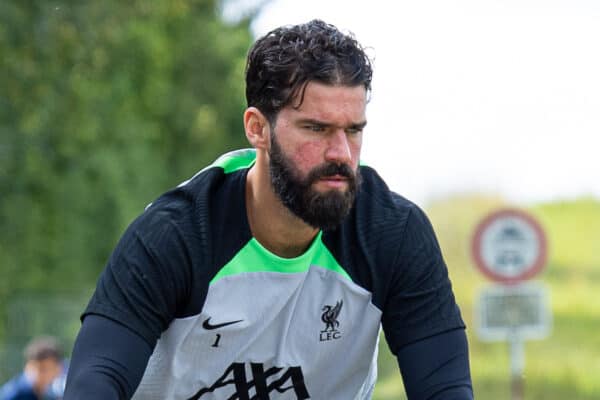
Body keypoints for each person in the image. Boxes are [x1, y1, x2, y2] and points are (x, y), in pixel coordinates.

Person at [64, 19, 473, 399]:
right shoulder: (175, 234)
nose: (341, 153)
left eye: (353, 130)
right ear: (257, 128)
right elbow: (93, 381)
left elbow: (446, 389)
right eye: (316, 129)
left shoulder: (393, 233)